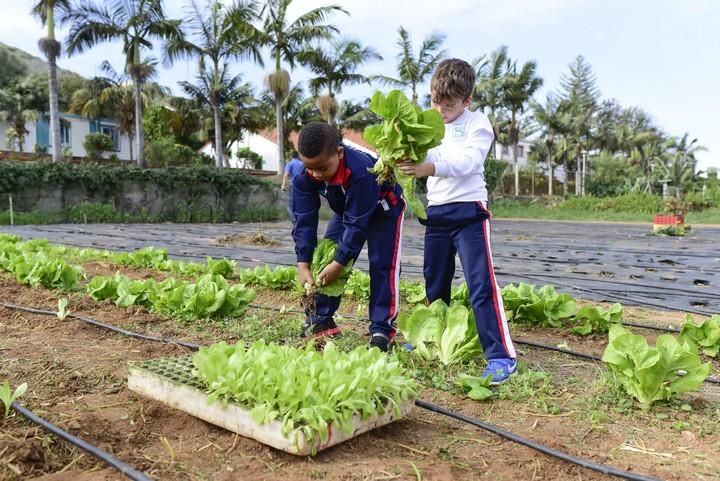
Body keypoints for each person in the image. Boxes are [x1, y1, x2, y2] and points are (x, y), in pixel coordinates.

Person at [398, 58, 517, 384]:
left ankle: (501, 355)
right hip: (437, 212)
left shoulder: (478, 124)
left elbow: (467, 162)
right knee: (435, 281)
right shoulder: (431, 124)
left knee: (480, 284)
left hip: (469, 214)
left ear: (467, 100)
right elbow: (429, 156)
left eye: (449, 104)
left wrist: (427, 168)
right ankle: (428, 338)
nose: (440, 109)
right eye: (436, 102)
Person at [292, 122, 405, 352]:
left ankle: (382, 329)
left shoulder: (361, 171)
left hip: (384, 210)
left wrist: (340, 262)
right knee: (325, 256)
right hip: (347, 211)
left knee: (383, 266)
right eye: (309, 168)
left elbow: (356, 225)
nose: (315, 174)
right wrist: (303, 263)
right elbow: (303, 220)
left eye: (322, 168)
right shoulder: (306, 177)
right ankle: (320, 319)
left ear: (339, 153)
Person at [281, 151, 304, 225]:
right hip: (302, 186)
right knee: (299, 205)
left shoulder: (290, 163)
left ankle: (295, 222)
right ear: (298, 156)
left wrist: (283, 185)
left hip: (294, 186)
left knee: (289, 206)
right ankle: (301, 221)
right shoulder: (302, 164)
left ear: (291, 156)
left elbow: (286, 175)